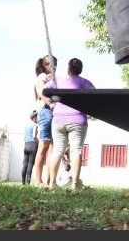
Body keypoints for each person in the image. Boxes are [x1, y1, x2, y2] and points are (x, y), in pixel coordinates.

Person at [44, 57, 94, 191]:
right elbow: (94, 96)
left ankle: (52, 184)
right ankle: (74, 184)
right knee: (76, 151)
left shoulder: (58, 80)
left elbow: (44, 90)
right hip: (77, 120)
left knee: (57, 151)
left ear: (68, 68)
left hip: (59, 119)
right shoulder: (84, 82)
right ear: (80, 70)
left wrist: (50, 102)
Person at [32, 55, 57, 187]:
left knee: (53, 148)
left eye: (53, 65)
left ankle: (50, 181)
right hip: (46, 112)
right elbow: (41, 92)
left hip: (54, 113)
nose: (51, 67)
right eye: (48, 64)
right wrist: (49, 103)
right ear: (43, 65)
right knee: (43, 146)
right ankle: (38, 181)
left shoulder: (53, 79)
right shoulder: (42, 77)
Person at [21, 110, 39, 185]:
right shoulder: (35, 125)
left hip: (26, 145)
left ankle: (23, 183)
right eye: (37, 117)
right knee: (30, 164)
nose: (37, 119)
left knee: (25, 164)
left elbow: (24, 138)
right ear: (34, 118)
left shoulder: (26, 126)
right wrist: (39, 142)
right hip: (33, 145)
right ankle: (28, 183)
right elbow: (34, 136)